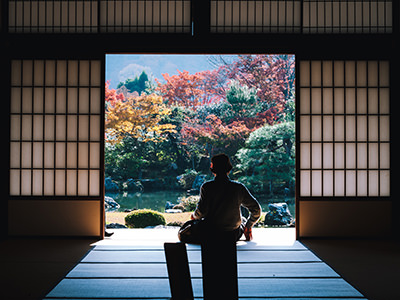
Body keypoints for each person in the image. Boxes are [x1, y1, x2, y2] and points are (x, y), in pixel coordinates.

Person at [190, 153, 261, 242]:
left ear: (212, 169)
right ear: (229, 169)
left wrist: (194, 216)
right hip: (232, 234)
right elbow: (256, 209)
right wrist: (248, 225)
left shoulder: (207, 187)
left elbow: (202, 212)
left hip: (210, 233)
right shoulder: (238, 188)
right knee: (242, 220)